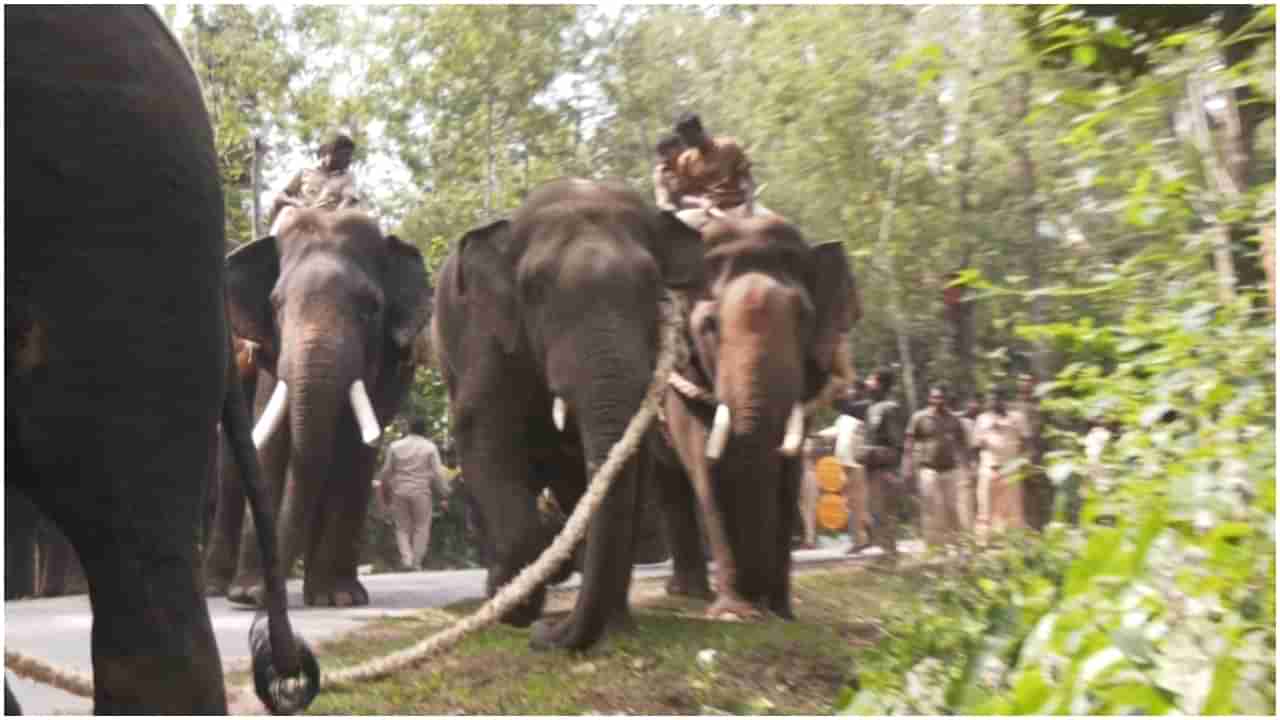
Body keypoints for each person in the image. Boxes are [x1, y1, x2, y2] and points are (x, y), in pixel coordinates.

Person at [373, 417, 450, 571]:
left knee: (402, 527)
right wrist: (444, 491)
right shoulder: (429, 447)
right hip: (421, 492)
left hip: (399, 491)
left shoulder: (395, 446)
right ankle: (416, 563)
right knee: (422, 526)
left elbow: (387, 471)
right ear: (425, 430)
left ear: (409, 428)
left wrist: (381, 487)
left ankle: (407, 559)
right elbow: (437, 472)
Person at [670, 112, 768, 229]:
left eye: (686, 136)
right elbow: (682, 197)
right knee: (678, 222)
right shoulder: (684, 160)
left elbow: (749, 181)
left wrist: (749, 207)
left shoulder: (729, 146)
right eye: (681, 137)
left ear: (697, 130)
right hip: (707, 211)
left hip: (739, 205)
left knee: (776, 226)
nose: (684, 142)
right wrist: (700, 201)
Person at [902, 385, 967, 547]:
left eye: (941, 398)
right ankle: (934, 546)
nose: (938, 401)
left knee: (952, 507)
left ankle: (956, 543)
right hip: (928, 469)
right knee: (930, 507)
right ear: (929, 399)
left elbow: (962, 443)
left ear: (946, 399)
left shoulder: (954, 419)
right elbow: (909, 443)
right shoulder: (919, 418)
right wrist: (907, 466)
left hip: (950, 469)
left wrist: (967, 466)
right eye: (935, 397)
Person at [850, 368, 904, 558]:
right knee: (876, 513)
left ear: (880, 384)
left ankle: (890, 555)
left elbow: (897, 445)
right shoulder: (871, 408)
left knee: (886, 514)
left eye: (871, 380)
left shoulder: (890, 408)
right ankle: (885, 554)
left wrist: (890, 467)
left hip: (885, 471)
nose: (868, 383)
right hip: (871, 471)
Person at [268, 131, 363, 234]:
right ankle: (271, 242)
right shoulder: (305, 171)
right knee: (286, 210)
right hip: (301, 217)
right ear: (329, 153)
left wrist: (333, 218)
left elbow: (348, 200)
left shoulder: (347, 177)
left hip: (327, 220)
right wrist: (297, 203)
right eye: (345, 155)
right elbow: (281, 196)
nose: (349, 160)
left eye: (350, 156)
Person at [973, 388, 1033, 542]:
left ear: (1004, 400)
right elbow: (975, 446)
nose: (994, 402)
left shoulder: (1017, 418)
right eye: (991, 399)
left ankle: (1014, 543)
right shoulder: (982, 419)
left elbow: (1027, 441)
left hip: (1011, 470)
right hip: (989, 469)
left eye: (997, 399)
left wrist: (1025, 461)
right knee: (985, 509)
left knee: (1014, 510)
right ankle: (983, 543)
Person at [652, 133, 686, 212]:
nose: (682, 149)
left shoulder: (691, 160)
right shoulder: (661, 172)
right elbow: (662, 202)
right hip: (683, 212)